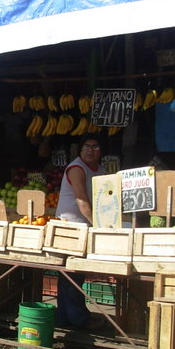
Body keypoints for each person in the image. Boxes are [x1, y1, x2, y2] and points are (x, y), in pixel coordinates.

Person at [55, 134, 106, 330]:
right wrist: (99, 225)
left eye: (95, 146)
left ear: (100, 151)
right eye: (87, 146)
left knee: (74, 274)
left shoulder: (100, 170)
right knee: (71, 274)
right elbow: (82, 200)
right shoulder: (77, 168)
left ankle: (65, 318)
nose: (90, 149)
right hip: (71, 226)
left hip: (85, 226)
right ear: (80, 149)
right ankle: (78, 319)